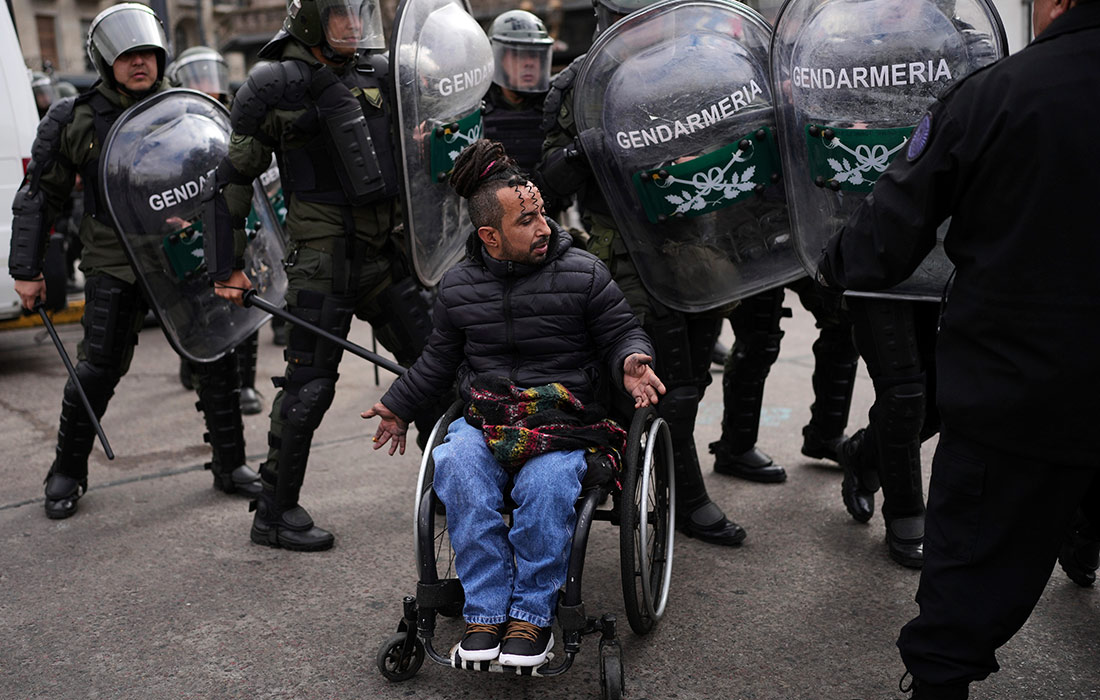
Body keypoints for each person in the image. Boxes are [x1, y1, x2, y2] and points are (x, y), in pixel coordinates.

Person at [817, 0, 1100, 694]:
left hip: (1017, 394)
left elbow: (887, 235)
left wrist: (833, 264)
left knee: (963, 597)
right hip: (1032, 387)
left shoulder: (999, 92)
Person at [363, 139, 665, 667]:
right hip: (489, 420)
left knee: (544, 486)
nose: (544, 226)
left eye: (542, 212)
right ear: (490, 236)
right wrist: (399, 406)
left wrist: (632, 359)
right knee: (453, 463)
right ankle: (484, 613)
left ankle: (531, 616)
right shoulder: (458, 289)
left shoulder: (585, 273)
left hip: (563, 423)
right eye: (526, 220)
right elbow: (436, 361)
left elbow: (622, 331)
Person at [8, 2, 261, 520]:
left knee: (215, 358)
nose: (139, 63)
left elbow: (218, 178)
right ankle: (66, 471)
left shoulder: (184, 107)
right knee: (98, 368)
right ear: (105, 61)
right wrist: (27, 268)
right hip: (114, 258)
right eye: (127, 56)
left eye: (146, 53)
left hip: (182, 253)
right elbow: (40, 195)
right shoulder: (73, 117)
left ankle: (230, 462)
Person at [209, 0, 441, 552]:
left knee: (435, 368)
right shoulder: (274, 85)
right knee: (309, 390)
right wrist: (227, 265)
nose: (355, 24)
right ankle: (274, 513)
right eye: (341, 14)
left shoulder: (379, 72)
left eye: (361, 11)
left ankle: (461, 484)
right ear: (312, 19)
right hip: (322, 260)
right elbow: (233, 179)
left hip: (386, 252)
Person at [537, 0, 746, 546]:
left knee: (693, 382)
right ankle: (683, 499)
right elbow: (546, 187)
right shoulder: (576, 85)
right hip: (624, 249)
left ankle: (661, 477)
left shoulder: (697, 70)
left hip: (692, 240)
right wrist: (582, 151)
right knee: (660, 385)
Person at [166, 46, 264, 416]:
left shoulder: (236, 119)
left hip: (237, 224)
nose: (207, 87)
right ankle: (193, 361)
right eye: (198, 79)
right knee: (198, 307)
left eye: (212, 78)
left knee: (246, 298)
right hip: (193, 230)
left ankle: (248, 385)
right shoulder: (171, 132)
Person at [709, 278, 858, 482]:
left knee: (844, 320)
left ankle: (826, 435)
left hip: (801, 250)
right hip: (755, 254)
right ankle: (735, 447)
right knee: (758, 339)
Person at [481, 10, 553, 177]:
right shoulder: (475, 104)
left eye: (534, 55)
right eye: (517, 55)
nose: (528, 63)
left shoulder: (557, 102)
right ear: (497, 59)